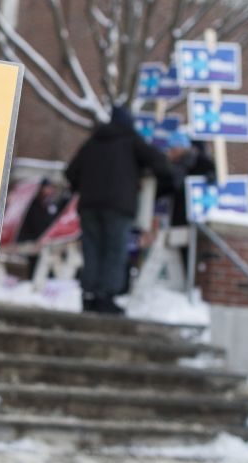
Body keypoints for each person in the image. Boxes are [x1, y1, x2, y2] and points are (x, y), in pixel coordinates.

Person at [66, 105, 172, 315]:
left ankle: (89, 295)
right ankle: (106, 297)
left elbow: (70, 172)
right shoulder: (131, 140)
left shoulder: (93, 142)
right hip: (118, 206)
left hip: (89, 206)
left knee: (92, 249)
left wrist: (86, 186)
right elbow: (161, 163)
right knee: (114, 250)